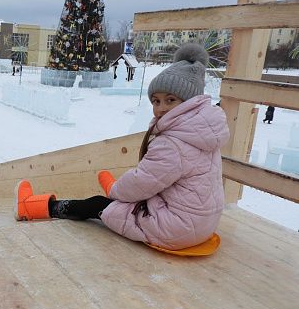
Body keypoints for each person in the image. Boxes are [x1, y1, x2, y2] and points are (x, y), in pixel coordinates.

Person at [14, 44, 230, 251]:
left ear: (189, 101)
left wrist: (116, 193)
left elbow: (143, 182)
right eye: (156, 101)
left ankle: (31, 207)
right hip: (203, 223)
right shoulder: (203, 132)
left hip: (175, 228)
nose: (161, 108)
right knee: (121, 196)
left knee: (98, 204)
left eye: (170, 100)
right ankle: (110, 188)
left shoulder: (172, 143)